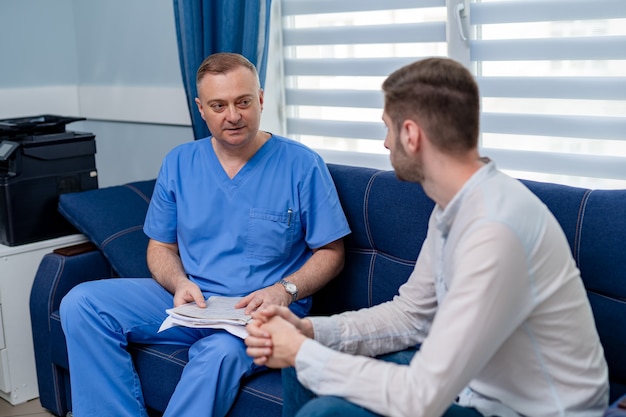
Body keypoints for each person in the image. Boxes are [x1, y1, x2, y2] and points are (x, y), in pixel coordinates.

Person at [244, 57, 610, 417]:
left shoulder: (496, 230)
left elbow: (421, 398)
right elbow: (411, 316)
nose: (386, 143)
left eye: (388, 128)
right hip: (473, 387)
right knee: (305, 359)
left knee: (325, 409)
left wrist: (300, 351)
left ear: (411, 135)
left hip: (528, 409)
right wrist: (308, 331)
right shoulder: (453, 205)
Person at [60, 52, 350, 417]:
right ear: (201, 108)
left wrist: (283, 291)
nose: (233, 116)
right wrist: (178, 282)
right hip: (193, 302)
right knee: (82, 303)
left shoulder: (302, 165)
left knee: (219, 354)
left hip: (257, 315)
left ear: (260, 98)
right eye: (218, 105)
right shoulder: (180, 162)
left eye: (243, 102)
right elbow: (161, 246)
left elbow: (331, 251)